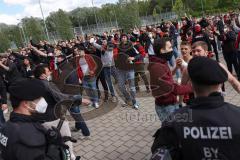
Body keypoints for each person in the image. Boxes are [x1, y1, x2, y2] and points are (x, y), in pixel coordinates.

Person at [151, 57, 240, 160]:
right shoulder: (237, 116)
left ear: (191, 85)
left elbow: (160, 154)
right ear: (220, 84)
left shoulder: (174, 120)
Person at [0, 79, 70, 160]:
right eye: (39, 99)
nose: (43, 101)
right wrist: (55, 152)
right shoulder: (29, 135)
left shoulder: (7, 126)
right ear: (26, 104)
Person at [148, 37, 192, 121]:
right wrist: (193, 88)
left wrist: (176, 68)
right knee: (173, 130)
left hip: (170, 103)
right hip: (167, 107)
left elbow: (167, 76)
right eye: (170, 47)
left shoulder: (161, 62)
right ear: (162, 50)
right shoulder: (157, 67)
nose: (172, 50)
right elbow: (173, 88)